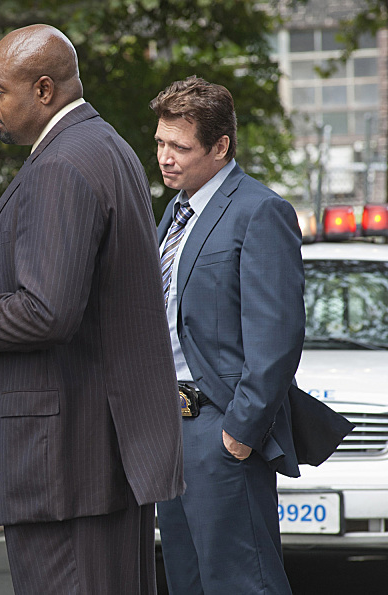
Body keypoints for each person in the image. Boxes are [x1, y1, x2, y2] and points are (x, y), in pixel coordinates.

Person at [0, 25, 184, 594]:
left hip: (64, 465)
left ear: (43, 90)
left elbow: (46, 312)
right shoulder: (105, 145)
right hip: (94, 456)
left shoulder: (62, 166)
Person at [151, 76, 305, 594]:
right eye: (159, 143)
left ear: (221, 146)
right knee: (187, 580)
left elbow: (277, 337)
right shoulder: (175, 211)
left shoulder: (259, 210)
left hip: (221, 428)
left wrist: (240, 433)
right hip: (171, 429)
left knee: (244, 583)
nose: (166, 157)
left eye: (180, 146)